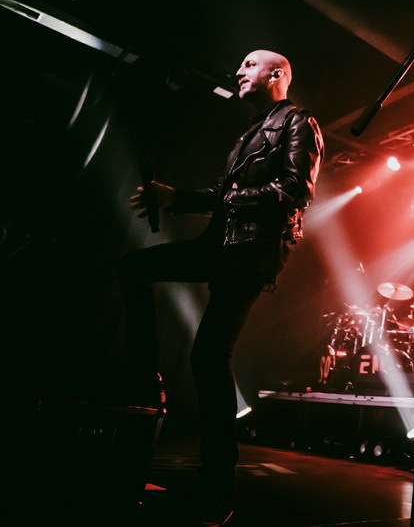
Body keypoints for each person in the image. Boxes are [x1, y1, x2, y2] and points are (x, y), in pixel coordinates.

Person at [122, 49, 323, 526]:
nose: (238, 71)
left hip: (250, 252)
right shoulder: (251, 132)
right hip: (219, 245)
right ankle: (145, 376)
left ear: (277, 74)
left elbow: (296, 190)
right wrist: (177, 197)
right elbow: (221, 195)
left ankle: (217, 489)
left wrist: (230, 197)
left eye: (250, 65)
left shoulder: (298, 122)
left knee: (209, 357)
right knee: (133, 267)